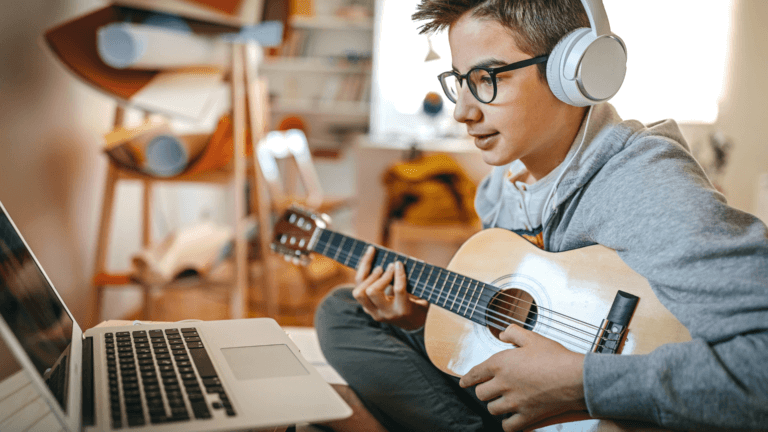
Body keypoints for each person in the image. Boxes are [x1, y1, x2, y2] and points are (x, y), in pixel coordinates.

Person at [314, 1, 768, 431]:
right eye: (459, 81)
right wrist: (417, 320)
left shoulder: (646, 186)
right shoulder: (500, 189)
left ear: (574, 73)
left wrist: (581, 381)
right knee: (343, 310)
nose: (462, 111)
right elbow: (512, 325)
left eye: (488, 78)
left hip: (609, 406)